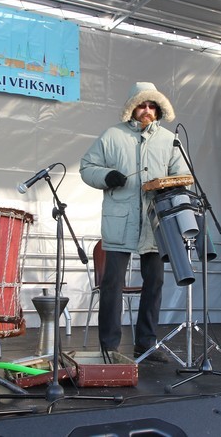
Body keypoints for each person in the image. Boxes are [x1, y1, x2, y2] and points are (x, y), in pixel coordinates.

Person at [80, 81, 189, 363]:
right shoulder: (111, 135)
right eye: (142, 105)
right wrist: (106, 176)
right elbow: (87, 167)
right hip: (120, 222)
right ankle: (109, 347)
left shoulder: (168, 139)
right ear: (132, 107)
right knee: (112, 285)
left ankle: (146, 344)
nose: (147, 110)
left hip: (155, 223)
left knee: (154, 283)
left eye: (153, 106)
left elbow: (181, 175)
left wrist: (168, 187)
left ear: (159, 109)